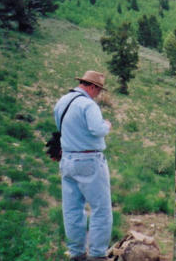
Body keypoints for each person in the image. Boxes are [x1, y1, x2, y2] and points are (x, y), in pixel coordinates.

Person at [54, 71, 113, 261]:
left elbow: (60, 127)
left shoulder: (62, 101)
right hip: (89, 161)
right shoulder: (88, 105)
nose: (98, 94)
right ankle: (97, 255)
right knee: (100, 209)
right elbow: (97, 130)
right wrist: (107, 125)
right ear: (93, 86)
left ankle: (76, 253)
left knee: (72, 209)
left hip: (67, 160)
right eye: (99, 90)